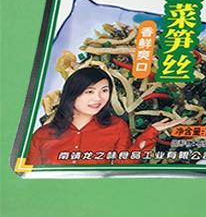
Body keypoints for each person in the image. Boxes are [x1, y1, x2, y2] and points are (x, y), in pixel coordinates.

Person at [27, 66, 180, 165]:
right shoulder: (42, 135)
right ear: (72, 94)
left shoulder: (117, 126)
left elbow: (124, 163)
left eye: (104, 90)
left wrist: (151, 132)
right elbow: (29, 174)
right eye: (89, 91)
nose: (98, 98)